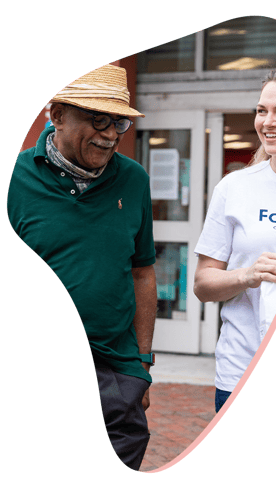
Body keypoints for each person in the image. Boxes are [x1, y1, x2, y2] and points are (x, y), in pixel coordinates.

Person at [7, 64, 157, 471]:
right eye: (97, 120)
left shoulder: (134, 180)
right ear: (56, 115)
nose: (110, 134)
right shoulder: (13, 180)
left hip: (114, 368)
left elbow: (142, 271)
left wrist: (141, 364)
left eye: (118, 122)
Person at [194, 65, 276, 412]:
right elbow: (203, 284)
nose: (268, 121)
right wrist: (247, 275)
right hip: (242, 374)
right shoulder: (235, 187)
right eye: (262, 111)